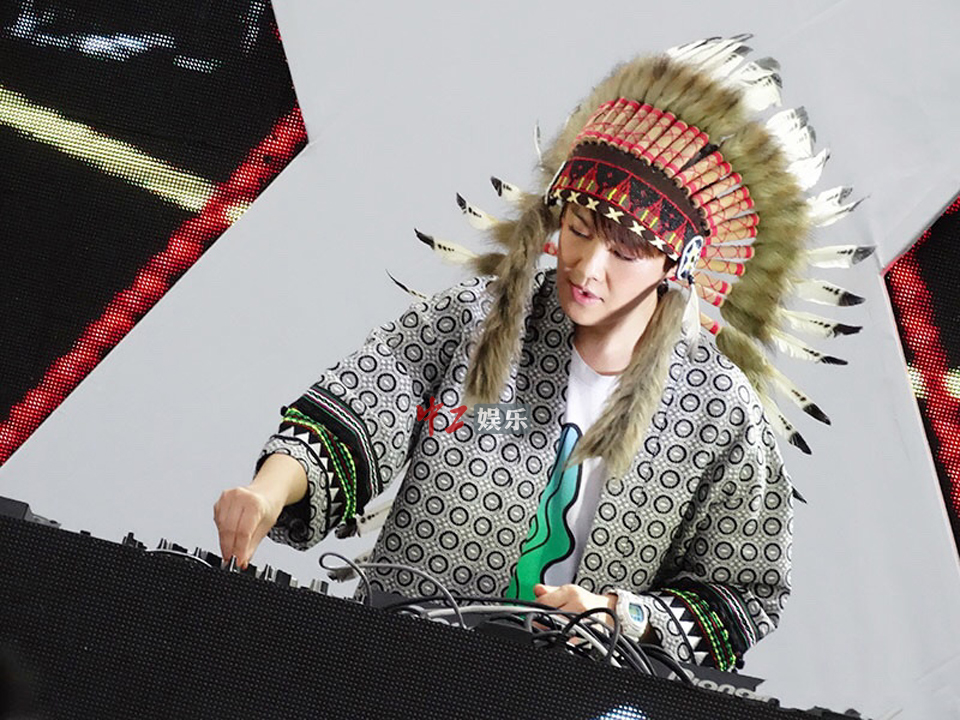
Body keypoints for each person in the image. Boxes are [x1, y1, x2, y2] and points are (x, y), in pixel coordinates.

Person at [214, 35, 866, 671]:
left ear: (676, 266)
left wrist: (622, 615)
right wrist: (269, 489)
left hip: (577, 695)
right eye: (578, 230)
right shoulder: (475, 320)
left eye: (625, 250)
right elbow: (363, 408)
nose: (588, 265)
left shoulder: (718, 411)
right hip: (403, 660)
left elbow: (744, 592)